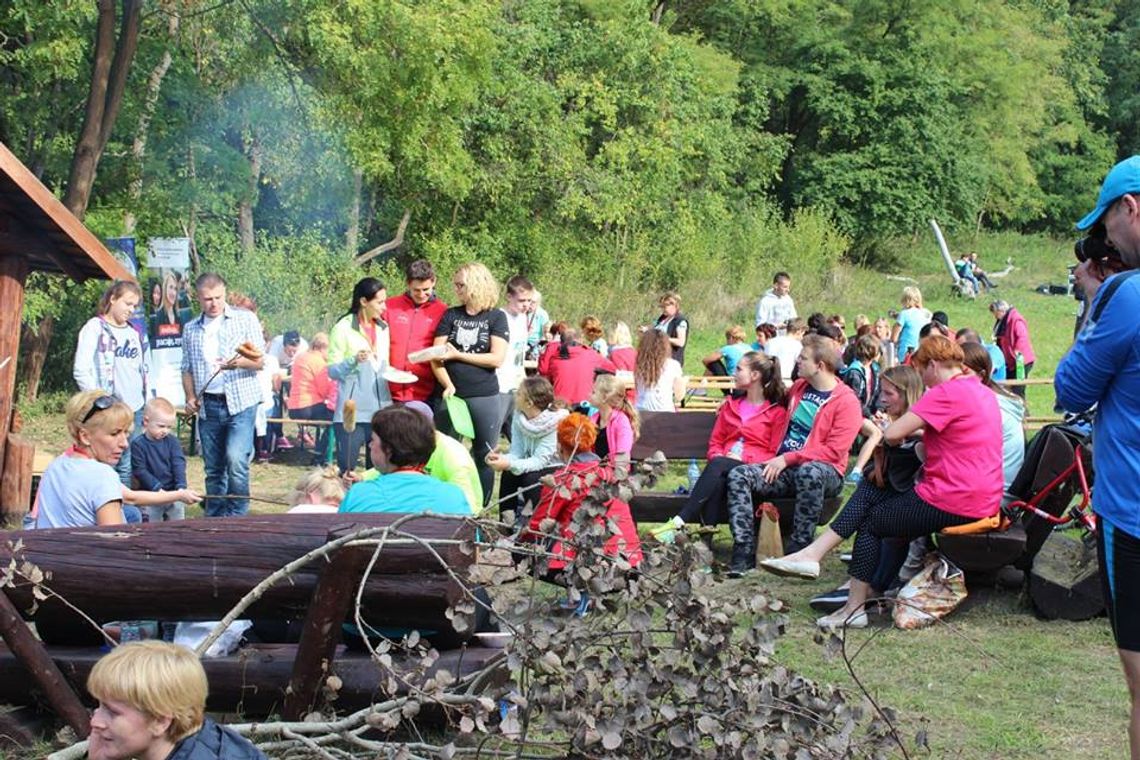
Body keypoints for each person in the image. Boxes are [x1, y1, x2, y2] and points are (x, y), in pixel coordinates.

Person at [760, 336, 1003, 629]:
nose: (923, 380)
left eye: (922, 371)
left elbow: (891, 435)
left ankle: (852, 605)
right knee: (874, 492)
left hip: (953, 498)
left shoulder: (945, 393)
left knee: (874, 522)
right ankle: (813, 556)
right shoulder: (979, 390)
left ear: (934, 366)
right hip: (982, 495)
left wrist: (901, 426)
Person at [1056, 156, 1140, 758]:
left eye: (1106, 226)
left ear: (1129, 208)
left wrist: (1095, 298)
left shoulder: (1127, 295)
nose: (1105, 243)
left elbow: (1071, 391)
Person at [724, 335, 863, 574]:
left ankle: (800, 551)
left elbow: (834, 451)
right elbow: (767, 401)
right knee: (739, 475)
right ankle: (744, 552)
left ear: (820, 366)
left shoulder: (846, 401)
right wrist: (733, 403)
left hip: (825, 472)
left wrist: (788, 458)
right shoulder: (799, 388)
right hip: (786, 469)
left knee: (810, 472)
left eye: (803, 358)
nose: (798, 361)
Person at [519, 413, 643, 616]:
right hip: (628, 562)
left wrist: (519, 543)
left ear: (560, 446)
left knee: (529, 551)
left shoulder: (563, 478)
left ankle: (579, 595)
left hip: (589, 563)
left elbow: (540, 525)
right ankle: (588, 595)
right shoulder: (611, 474)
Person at [661, 352, 787, 536]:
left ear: (755, 376)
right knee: (718, 477)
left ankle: (679, 521)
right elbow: (716, 441)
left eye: (738, 369)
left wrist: (741, 458)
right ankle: (705, 551)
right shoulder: (730, 405)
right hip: (722, 467)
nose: (733, 373)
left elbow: (772, 452)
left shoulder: (776, 412)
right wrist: (718, 456)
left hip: (754, 471)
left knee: (719, 466)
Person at [86, 640, 267, 760]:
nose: (95, 721)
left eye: (112, 712)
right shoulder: (201, 738)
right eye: (99, 706)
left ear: (160, 721)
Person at [181, 273, 264, 517]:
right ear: (198, 298)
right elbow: (186, 368)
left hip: (241, 401)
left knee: (236, 460)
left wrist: (237, 364)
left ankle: (238, 514)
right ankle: (215, 517)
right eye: (207, 299)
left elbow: (259, 361)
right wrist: (189, 396)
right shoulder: (191, 329)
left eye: (218, 297)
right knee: (214, 466)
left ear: (225, 293)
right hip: (209, 404)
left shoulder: (245, 319)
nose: (213, 303)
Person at [431, 262, 508, 506]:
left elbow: (496, 358)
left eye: (460, 285)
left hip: (483, 395)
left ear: (476, 284)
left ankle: (481, 509)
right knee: (443, 452)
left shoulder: (496, 317)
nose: (456, 289)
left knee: (484, 454)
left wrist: (458, 355)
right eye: (455, 285)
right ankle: (441, 506)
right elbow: (436, 355)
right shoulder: (451, 314)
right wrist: (447, 383)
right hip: (450, 395)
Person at [74, 280, 150, 486]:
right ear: (112, 299)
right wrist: (99, 399)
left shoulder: (135, 333)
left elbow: (143, 370)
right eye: (127, 304)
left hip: (134, 407)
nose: (131, 310)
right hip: (107, 407)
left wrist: (146, 401)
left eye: (135, 306)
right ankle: (101, 507)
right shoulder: (95, 328)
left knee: (126, 463)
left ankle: (122, 510)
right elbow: (81, 369)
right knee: (105, 462)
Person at [339, 405, 472, 515]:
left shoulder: (359, 495)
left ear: (388, 450)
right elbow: (472, 544)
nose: (369, 445)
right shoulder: (454, 496)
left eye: (373, 440)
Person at [328, 277, 393, 476]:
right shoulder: (342, 328)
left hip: (381, 409)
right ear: (364, 301)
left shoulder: (383, 328)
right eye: (380, 302)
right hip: (351, 410)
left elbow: (385, 365)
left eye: (385, 301)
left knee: (378, 469)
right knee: (347, 468)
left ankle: (373, 507)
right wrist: (353, 360)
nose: (384, 307)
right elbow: (332, 370)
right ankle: (343, 504)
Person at [486, 376, 568, 522]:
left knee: (532, 478)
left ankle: (536, 525)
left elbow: (540, 461)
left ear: (529, 403)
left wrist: (509, 464)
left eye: (519, 394)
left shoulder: (555, 423)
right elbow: (517, 452)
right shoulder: (519, 417)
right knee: (509, 474)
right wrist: (502, 459)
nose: (514, 395)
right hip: (532, 461)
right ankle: (506, 523)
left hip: (554, 465)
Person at [960, 342, 1025, 499]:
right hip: (996, 489)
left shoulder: (987, 408)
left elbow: (964, 456)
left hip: (992, 497)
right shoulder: (997, 399)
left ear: (981, 375)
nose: (954, 380)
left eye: (962, 373)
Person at [386, 259, 448, 403]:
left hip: (424, 392)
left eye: (426, 290)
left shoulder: (443, 311)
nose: (421, 294)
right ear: (408, 284)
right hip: (388, 389)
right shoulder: (390, 306)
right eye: (416, 290)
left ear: (433, 282)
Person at [130, 397, 192, 522]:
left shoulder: (172, 441)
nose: (165, 431)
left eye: (169, 427)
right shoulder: (138, 444)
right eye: (161, 426)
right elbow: (140, 470)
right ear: (146, 421)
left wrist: (181, 486)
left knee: (177, 525)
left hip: (174, 493)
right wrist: (157, 488)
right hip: (150, 495)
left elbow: (178, 464)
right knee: (152, 526)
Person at [286, 332, 336, 465]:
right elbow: (324, 390)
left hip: (293, 407)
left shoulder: (300, 357)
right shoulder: (318, 362)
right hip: (308, 407)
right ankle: (321, 455)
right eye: (329, 351)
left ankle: (320, 452)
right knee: (337, 418)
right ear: (322, 348)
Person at [497, 276, 537, 438]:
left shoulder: (523, 318)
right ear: (509, 297)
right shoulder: (499, 317)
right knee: (492, 434)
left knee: (519, 434)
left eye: (529, 300)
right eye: (521, 301)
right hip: (499, 384)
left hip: (517, 385)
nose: (526, 305)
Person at [536, 326, 612, 406]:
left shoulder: (554, 359)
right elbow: (612, 369)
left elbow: (544, 372)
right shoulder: (591, 355)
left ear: (561, 342)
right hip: (585, 405)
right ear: (580, 340)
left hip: (561, 406)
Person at [587, 373, 639, 479]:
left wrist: (613, 476)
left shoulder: (621, 421)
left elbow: (623, 455)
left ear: (604, 397)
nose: (589, 395)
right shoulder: (593, 419)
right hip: (596, 472)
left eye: (593, 392)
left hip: (616, 475)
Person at [990, 299, 1036, 398]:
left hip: (1021, 361)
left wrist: (1017, 352)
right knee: (1008, 388)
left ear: (1001, 311)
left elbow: (1022, 337)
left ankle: (1022, 412)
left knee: (1018, 389)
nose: (995, 316)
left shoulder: (1016, 320)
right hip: (1011, 362)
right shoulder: (1003, 321)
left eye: (995, 313)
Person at [633, 328, 684, 412]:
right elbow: (679, 396)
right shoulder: (673, 365)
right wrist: (684, 382)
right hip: (665, 412)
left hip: (640, 411)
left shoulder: (638, 364)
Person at [840, 333, 881, 419]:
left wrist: (878, 409)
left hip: (867, 412)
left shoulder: (875, 370)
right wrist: (869, 415)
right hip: (853, 414)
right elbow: (855, 400)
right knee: (874, 432)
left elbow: (878, 393)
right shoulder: (854, 372)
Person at [891, 285, 931, 361]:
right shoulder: (927, 314)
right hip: (923, 351)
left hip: (906, 353)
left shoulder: (904, 314)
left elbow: (894, 338)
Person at [765, 317, 805, 384]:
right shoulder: (797, 345)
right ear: (799, 331)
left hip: (769, 380)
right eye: (802, 334)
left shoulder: (770, 342)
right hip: (786, 381)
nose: (802, 337)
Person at [652, 291, 689, 365]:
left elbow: (680, 342)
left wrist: (664, 338)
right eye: (662, 307)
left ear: (674, 305)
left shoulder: (680, 321)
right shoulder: (662, 318)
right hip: (657, 356)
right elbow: (654, 327)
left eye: (665, 306)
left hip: (671, 359)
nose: (663, 309)